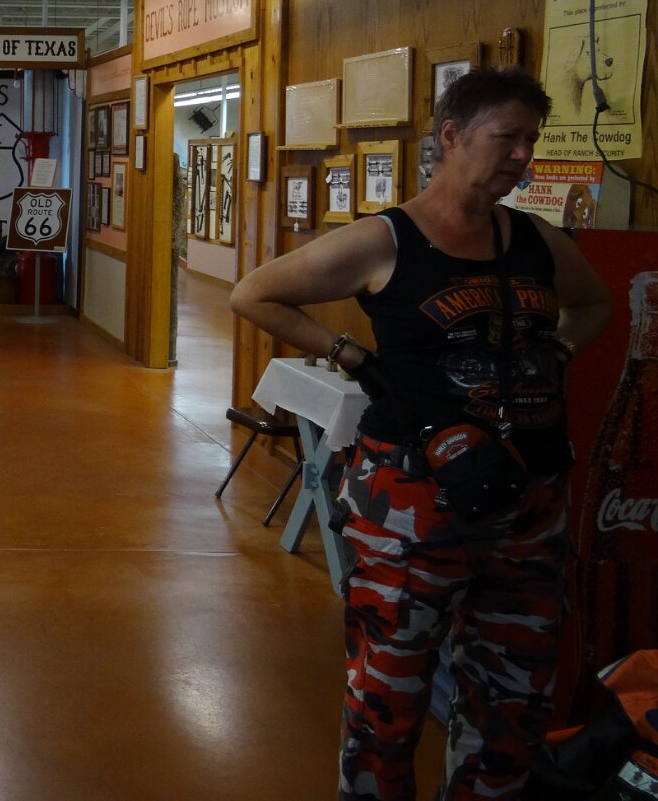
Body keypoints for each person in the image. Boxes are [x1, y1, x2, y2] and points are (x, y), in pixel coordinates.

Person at [229, 66, 612, 801]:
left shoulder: (535, 239)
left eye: (532, 140)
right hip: (412, 500)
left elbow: (593, 303)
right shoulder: (387, 239)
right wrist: (349, 354)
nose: (522, 155)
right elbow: (256, 293)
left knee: (514, 704)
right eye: (507, 138)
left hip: (528, 498)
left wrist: (554, 355)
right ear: (451, 136)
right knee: (388, 698)